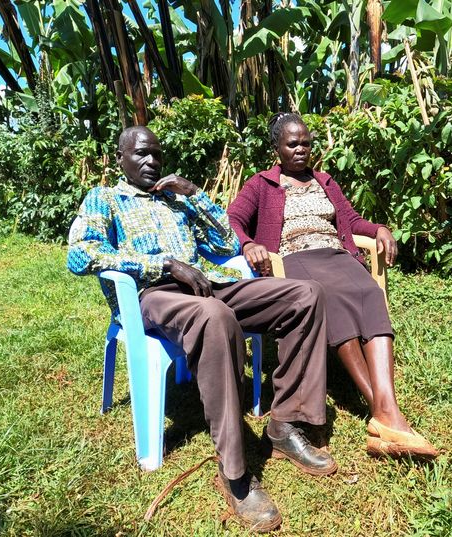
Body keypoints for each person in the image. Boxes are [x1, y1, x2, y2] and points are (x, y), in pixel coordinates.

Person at [67, 126, 337, 532]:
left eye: (156, 154)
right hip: (155, 295)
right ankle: (235, 474)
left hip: (209, 284)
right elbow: (80, 253)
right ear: (120, 158)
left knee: (306, 295)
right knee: (214, 316)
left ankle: (285, 423)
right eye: (140, 154)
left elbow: (228, 243)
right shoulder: (105, 198)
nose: (151, 162)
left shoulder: (177, 200)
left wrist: (193, 193)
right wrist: (164, 265)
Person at [227, 113, 437, 459]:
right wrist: (248, 243)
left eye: (306, 143)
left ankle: (385, 415)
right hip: (293, 259)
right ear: (277, 148)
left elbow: (350, 220)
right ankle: (388, 414)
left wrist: (378, 229)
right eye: (292, 144)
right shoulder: (261, 184)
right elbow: (233, 219)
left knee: (370, 292)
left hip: (336, 254)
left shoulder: (324, 181)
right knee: (335, 298)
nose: (301, 150)